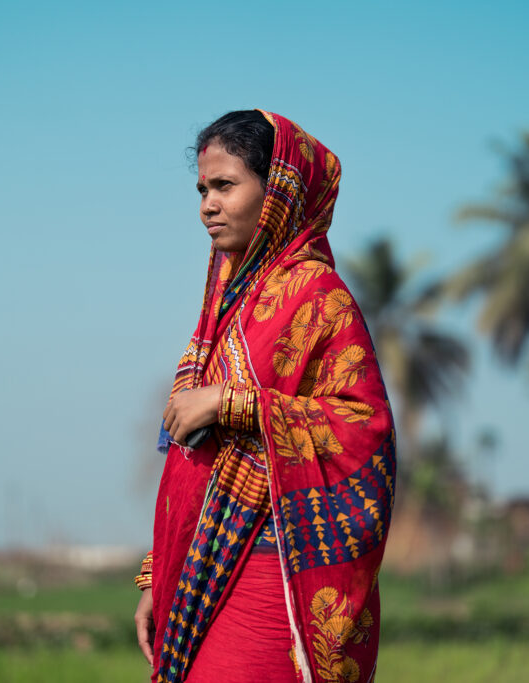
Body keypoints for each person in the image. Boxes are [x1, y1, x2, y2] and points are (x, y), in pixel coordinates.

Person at [134, 110, 396, 683]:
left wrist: (234, 404)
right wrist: (159, 574)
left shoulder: (319, 299)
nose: (207, 204)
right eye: (203, 189)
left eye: (225, 185)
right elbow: (187, 459)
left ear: (276, 189)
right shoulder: (225, 307)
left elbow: (362, 428)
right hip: (197, 573)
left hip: (269, 570)